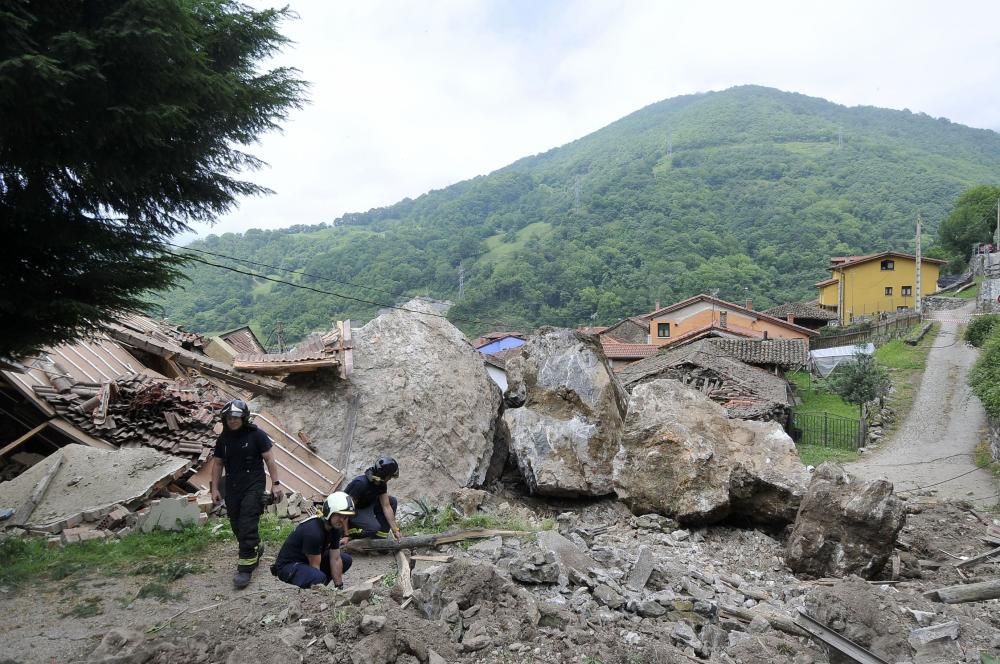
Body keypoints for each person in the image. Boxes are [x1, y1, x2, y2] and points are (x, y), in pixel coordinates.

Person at [210, 399, 284, 589]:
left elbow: (269, 459)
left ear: (244, 418)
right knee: (236, 524)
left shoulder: (256, 435)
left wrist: (276, 484)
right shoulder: (223, 440)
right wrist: (215, 488)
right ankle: (255, 548)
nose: (232, 421)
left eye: (236, 417)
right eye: (228, 418)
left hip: (254, 484)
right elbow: (217, 464)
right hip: (233, 486)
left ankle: (245, 567)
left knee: (247, 521)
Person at [271, 491, 355, 589]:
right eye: (339, 515)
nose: (342, 520)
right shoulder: (313, 532)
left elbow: (335, 559)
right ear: (329, 512)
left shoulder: (335, 528)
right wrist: (319, 587)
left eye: (345, 517)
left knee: (345, 559)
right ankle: (317, 590)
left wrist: (339, 587)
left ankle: (323, 586)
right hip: (288, 566)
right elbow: (315, 566)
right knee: (318, 577)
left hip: (306, 562)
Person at [345, 456, 402, 540]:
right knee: (373, 528)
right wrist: (346, 534)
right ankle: (352, 532)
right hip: (353, 510)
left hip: (367, 505)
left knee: (392, 501)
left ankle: (379, 539)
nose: (390, 478)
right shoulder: (361, 484)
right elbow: (347, 509)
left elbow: (386, 506)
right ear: (385, 475)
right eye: (390, 476)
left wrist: (395, 530)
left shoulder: (381, 483)